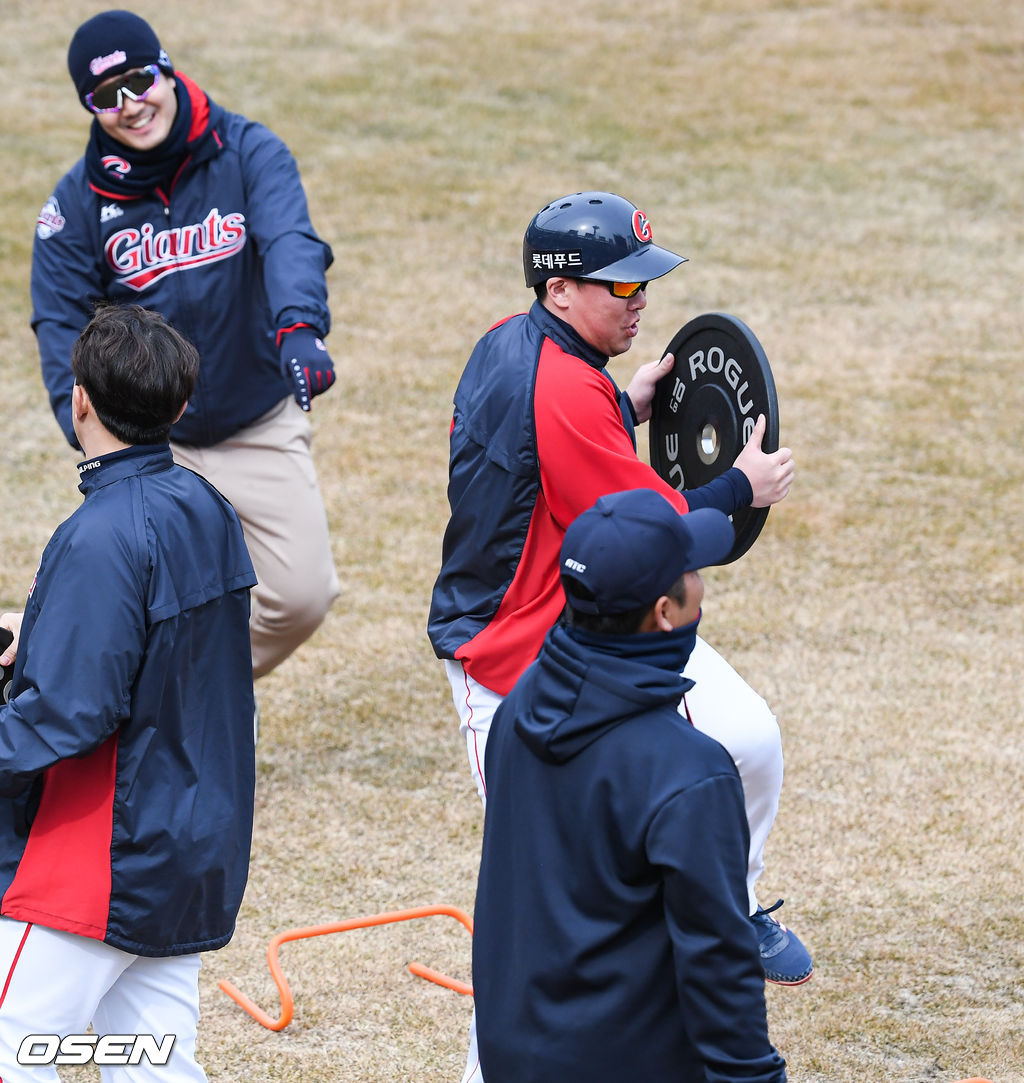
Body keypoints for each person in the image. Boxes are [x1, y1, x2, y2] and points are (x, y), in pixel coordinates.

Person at [427, 192, 810, 1041]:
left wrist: (625, 407)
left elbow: (554, 440)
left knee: (746, 737)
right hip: (511, 662)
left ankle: (730, 905)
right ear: (560, 290)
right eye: (621, 287)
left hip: (595, 626)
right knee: (549, 880)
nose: (641, 302)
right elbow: (665, 534)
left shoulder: (519, 345)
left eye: (646, 285)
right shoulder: (562, 388)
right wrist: (740, 489)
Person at [31, 10, 339, 679]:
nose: (129, 105)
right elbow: (59, 322)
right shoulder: (76, 205)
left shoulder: (250, 150)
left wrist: (299, 326)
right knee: (141, 606)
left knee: (302, 594)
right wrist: (79, 424)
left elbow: (290, 241)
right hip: (147, 445)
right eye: (104, 96)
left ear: (165, 68)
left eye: (138, 80)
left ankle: (197, 693)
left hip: (255, 416)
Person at [0, 304, 257, 1082]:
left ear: (79, 399)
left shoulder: (101, 534)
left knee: (15, 1046)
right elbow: (157, 654)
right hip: (182, 851)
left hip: (98, 862)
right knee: (153, 1062)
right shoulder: (206, 506)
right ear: (180, 408)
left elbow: (69, 713)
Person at [473, 488, 788, 1083]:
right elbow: (720, 970)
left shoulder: (517, 712)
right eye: (691, 572)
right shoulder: (689, 775)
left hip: (515, 1057)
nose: (700, 582)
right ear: (665, 613)